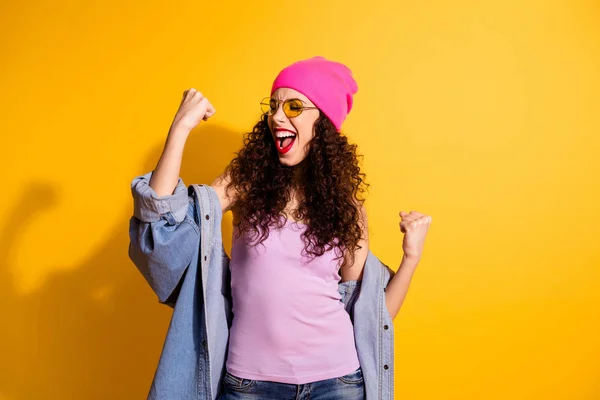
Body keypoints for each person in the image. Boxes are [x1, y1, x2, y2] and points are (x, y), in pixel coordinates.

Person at [138, 56, 432, 399]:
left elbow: (372, 314)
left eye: (293, 106)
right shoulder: (246, 184)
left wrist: (411, 257)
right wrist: (181, 128)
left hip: (337, 383)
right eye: (274, 105)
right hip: (250, 385)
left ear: (321, 121)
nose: (277, 116)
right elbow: (162, 220)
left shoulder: (347, 207)